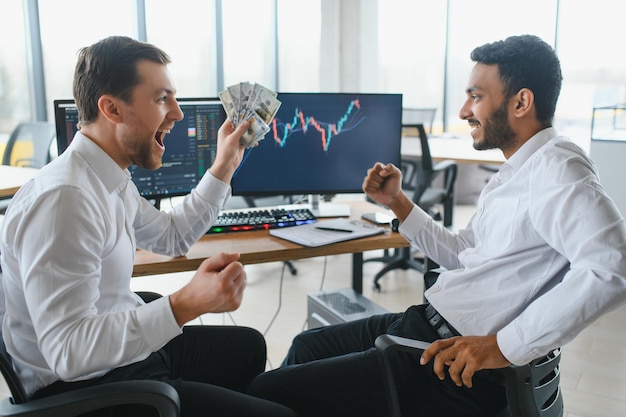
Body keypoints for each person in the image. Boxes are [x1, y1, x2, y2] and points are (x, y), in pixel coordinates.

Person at [246, 34, 626, 417]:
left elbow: (612, 267)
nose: (463, 111)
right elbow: (463, 253)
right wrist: (397, 201)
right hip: (426, 324)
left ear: (521, 102)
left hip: (451, 363)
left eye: (476, 96)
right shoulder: (517, 171)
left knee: (270, 389)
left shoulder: (557, 167)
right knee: (305, 346)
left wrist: (503, 346)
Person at [0, 36, 299, 417]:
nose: (177, 113)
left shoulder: (106, 176)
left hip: (116, 355)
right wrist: (185, 304)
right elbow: (68, 352)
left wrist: (225, 164)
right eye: (162, 99)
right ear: (111, 108)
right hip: (88, 386)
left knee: (249, 347)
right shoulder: (66, 201)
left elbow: (172, 237)